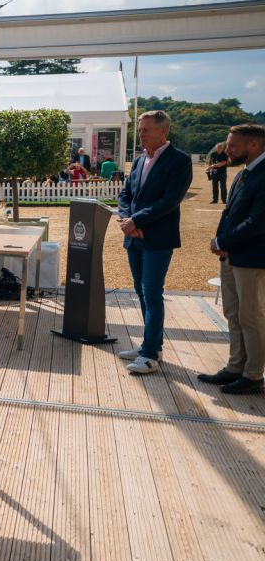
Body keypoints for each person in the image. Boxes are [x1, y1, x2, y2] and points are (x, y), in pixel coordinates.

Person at [115, 109, 193, 375]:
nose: (141, 133)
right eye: (140, 129)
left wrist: (137, 221)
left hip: (157, 239)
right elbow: (125, 194)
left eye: (145, 129)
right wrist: (128, 220)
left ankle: (149, 355)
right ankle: (151, 345)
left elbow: (170, 201)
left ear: (163, 131)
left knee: (151, 292)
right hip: (134, 237)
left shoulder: (179, 161)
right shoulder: (138, 161)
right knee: (140, 291)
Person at [198, 123, 265, 395]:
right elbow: (230, 213)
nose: (228, 150)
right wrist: (222, 243)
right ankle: (236, 367)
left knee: (251, 317)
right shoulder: (244, 173)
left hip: (252, 259)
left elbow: (257, 222)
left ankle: (253, 374)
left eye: (233, 145)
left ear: (254, 146)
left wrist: (223, 241)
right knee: (234, 314)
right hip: (232, 255)